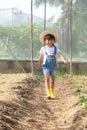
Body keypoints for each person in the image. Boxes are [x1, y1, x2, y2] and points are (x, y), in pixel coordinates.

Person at [39, 30, 69, 99]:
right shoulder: (43, 48)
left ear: (54, 41)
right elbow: (41, 57)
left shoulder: (56, 48)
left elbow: (60, 55)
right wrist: (40, 63)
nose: (49, 42)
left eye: (51, 40)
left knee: (52, 80)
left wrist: (64, 60)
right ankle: (48, 93)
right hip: (46, 66)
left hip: (53, 67)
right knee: (47, 79)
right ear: (45, 41)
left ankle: (52, 93)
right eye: (48, 40)